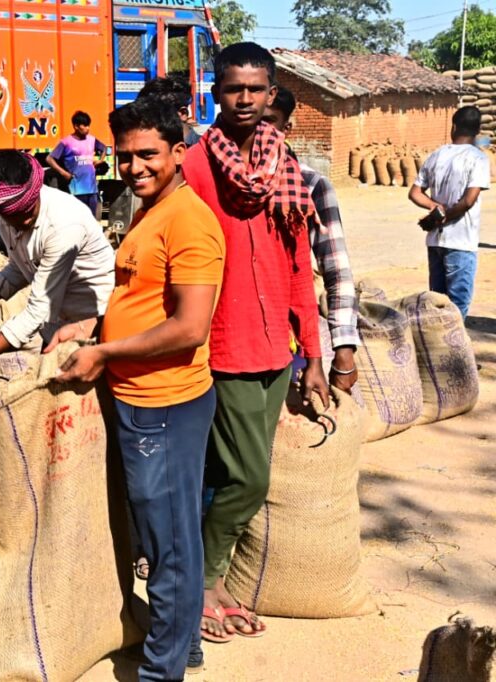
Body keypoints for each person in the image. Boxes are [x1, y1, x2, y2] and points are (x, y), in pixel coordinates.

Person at [47, 95, 225, 680]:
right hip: (142, 399)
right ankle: (183, 647)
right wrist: (92, 326)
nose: (133, 167)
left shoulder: (189, 220)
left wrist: (102, 353)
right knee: (168, 534)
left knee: (167, 544)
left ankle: (160, 672)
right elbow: (142, 300)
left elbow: (190, 327)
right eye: (124, 156)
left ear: (179, 152)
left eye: (148, 154)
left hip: (166, 403)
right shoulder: (151, 210)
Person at [181, 42, 329, 643]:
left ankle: (208, 579)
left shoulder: (283, 165)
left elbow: (298, 264)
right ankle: (201, 585)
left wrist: (313, 353)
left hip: (276, 349)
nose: (244, 99)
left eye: (255, 89)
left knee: (231, 472)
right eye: (233, 88)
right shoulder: (194, 166)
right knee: (249, 480)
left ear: (271, 94)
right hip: (223, 346)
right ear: (216, 92)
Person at [0, 151, 115, 388]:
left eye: (28, 210)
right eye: (14, 215)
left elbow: (37, 311)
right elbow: (18, 270)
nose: (23, 220)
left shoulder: (64, 224)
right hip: (57, 326)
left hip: (95, 324)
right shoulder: (2, 210)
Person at [262, 86, 360, 392]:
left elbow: (336, 269)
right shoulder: (228, 181)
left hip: (290, 331)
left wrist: (344, 348)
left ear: (286, 128)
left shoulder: (311, 185)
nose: (260, 132)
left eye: (269, 122)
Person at [409, 105, 490, 318]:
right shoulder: (478, 158)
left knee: (437, 302)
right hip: (461, 241)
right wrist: (444, 217)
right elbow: (469, 200)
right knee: (457, 305)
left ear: (453, 127)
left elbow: (415, 193)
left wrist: (434, 208)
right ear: (477, 130)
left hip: (435, 241)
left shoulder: (437, 155)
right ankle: (454, 340)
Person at [46, 110, 109, 217]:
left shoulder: (92, 139)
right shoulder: (66, 142)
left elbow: (104, 148)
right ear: (76, 126)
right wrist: (63, 173)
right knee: (79, 218)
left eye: (88, 125)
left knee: (92, 218)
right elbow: (49, 159)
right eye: (85, 125)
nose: (88, 128)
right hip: (76, 189)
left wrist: (100, 160)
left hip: (92, 188)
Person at [138, 74, 202, 147]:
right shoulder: (140, 147)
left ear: (182, 114)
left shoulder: (204, 150)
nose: (146, 121)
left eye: (156, 115)